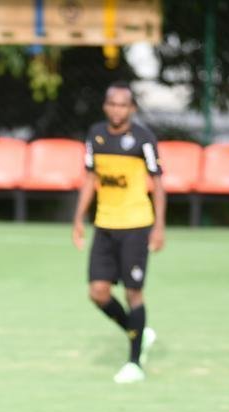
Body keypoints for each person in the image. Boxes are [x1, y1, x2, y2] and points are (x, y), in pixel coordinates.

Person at [72, 81, 166, 384]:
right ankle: (138, 332)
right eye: (112, 104)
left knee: (133, 292)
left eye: (123, 105)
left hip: (136, 225)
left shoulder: (143, 139)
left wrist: (159, 227)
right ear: (105, 106)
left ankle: (135, 362)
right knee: (97, 292)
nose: (117, 109)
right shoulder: (96, 135)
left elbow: (159, 185)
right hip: (105, 225)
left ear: (132, 108)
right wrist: (78, 219)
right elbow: (89, 179)